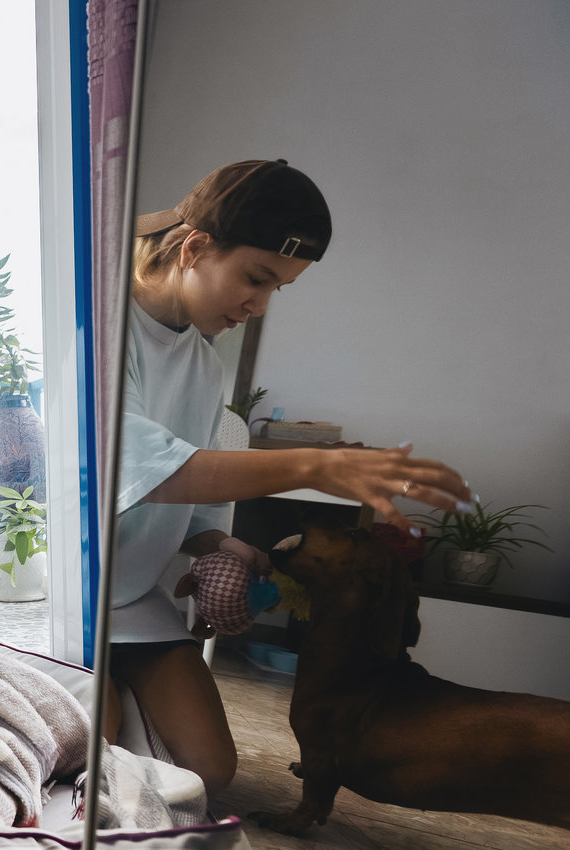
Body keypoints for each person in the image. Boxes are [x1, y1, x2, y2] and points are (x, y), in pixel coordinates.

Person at [108, 158, 472, 791]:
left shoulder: (203, 367)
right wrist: (316, 464)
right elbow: (142, 469)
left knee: (210, 772)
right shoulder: (104, 332)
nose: (259, 305)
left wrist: (224, 549)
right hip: (71, 598)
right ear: (195, 249)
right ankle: (99, 700)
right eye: (257, 278)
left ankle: (111, 698)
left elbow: (189, 514)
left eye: (278, 288)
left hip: (135, 602)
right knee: (91, 755)